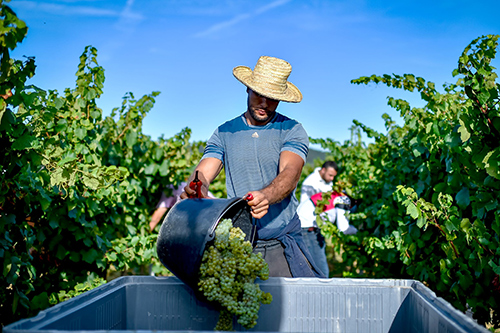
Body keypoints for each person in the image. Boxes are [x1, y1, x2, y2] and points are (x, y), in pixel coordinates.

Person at [180, 55, 324, 278]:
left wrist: (266, 195)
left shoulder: (292, 130)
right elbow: (205, 170)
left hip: (281, 243)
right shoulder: (225, 132)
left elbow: (290, 173)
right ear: (248, 88)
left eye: (272, 98)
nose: (265, 104)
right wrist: (197, 186)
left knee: (297, 307)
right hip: (239, 243)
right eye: (259, 94)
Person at [297, 191, 358, 277]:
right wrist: (358, 231)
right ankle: (322, 289)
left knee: (311, 266)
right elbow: (343, 228)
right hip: (309, 229)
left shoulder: (337, 194)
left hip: (305, 226)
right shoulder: (344, 200)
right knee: (321, 270)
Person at [150, 182, 214, 232]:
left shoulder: (169, 189)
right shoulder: (180, 185)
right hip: (212, 205)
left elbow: (157, 216)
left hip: (207, 209)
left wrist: (146, 232)